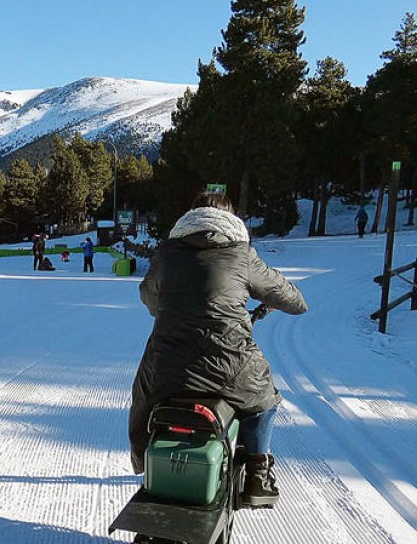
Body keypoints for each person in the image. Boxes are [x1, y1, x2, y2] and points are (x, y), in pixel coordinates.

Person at [130, 190, 308, 508]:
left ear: (189, 218)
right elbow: (294, 301)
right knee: (264, 401)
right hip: (232, 367)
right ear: (232, 219)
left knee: (143, 397)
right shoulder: (242, 253)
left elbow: (149, 297)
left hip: (169, 367)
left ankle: (145, 461)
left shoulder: (167, 252)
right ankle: (257, 473)